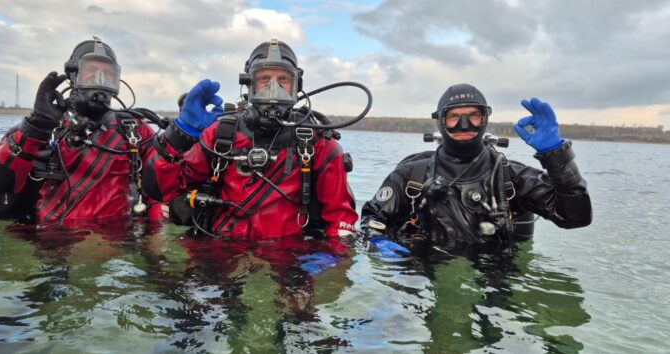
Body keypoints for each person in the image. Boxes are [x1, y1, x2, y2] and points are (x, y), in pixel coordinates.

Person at [142, 39, 358, 238]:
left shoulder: (317, 142)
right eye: (264, 79)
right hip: (223, 252)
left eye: (283, 79)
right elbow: (162, 190)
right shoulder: (222, 133)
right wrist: (180, 134)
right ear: (249, 83)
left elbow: (341, 219)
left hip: (288, 259)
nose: (274, 88)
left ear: (296, 85)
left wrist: (323, 264)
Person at [361, 83, 592, 251]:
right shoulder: (411, 176)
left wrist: (556, 156)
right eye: (454, 116)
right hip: (423, 275)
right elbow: (372, 220)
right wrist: (378, 244)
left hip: (493, 280)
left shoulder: (511, 178)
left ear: (485, 119)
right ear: (440, 121)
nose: (464, 124)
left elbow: (575, 217)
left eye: (473, 115)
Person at [0, 37, 163, 223]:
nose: (99, 79)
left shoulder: (135, 130)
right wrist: (35, 126)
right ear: (73, 76)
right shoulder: (43, 128)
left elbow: (161, 191)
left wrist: (153, 240)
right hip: (49, 240)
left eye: (108, 74)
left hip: (116, 239)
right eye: (90, 71)